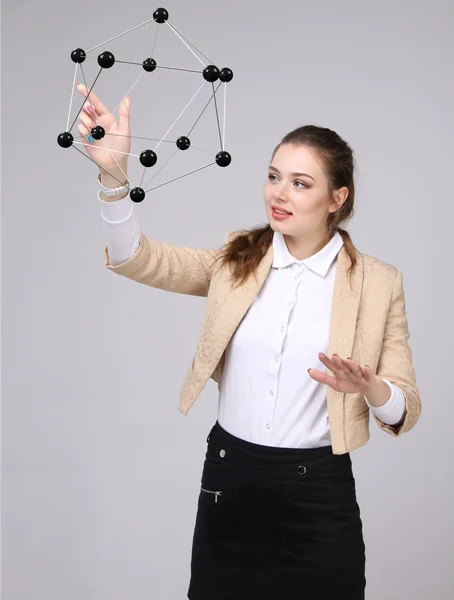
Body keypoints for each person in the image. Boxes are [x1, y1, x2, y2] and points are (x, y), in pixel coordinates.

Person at [76, 84, 421, 599]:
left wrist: (371, 389)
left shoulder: (378, 282)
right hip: (229, 477)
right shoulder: (235, 259)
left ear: (337, 198)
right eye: (273, 176)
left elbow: (405, 407)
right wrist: (113, 175)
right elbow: (139, 258)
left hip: (319, 491)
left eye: (300, 183)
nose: (279, 194)